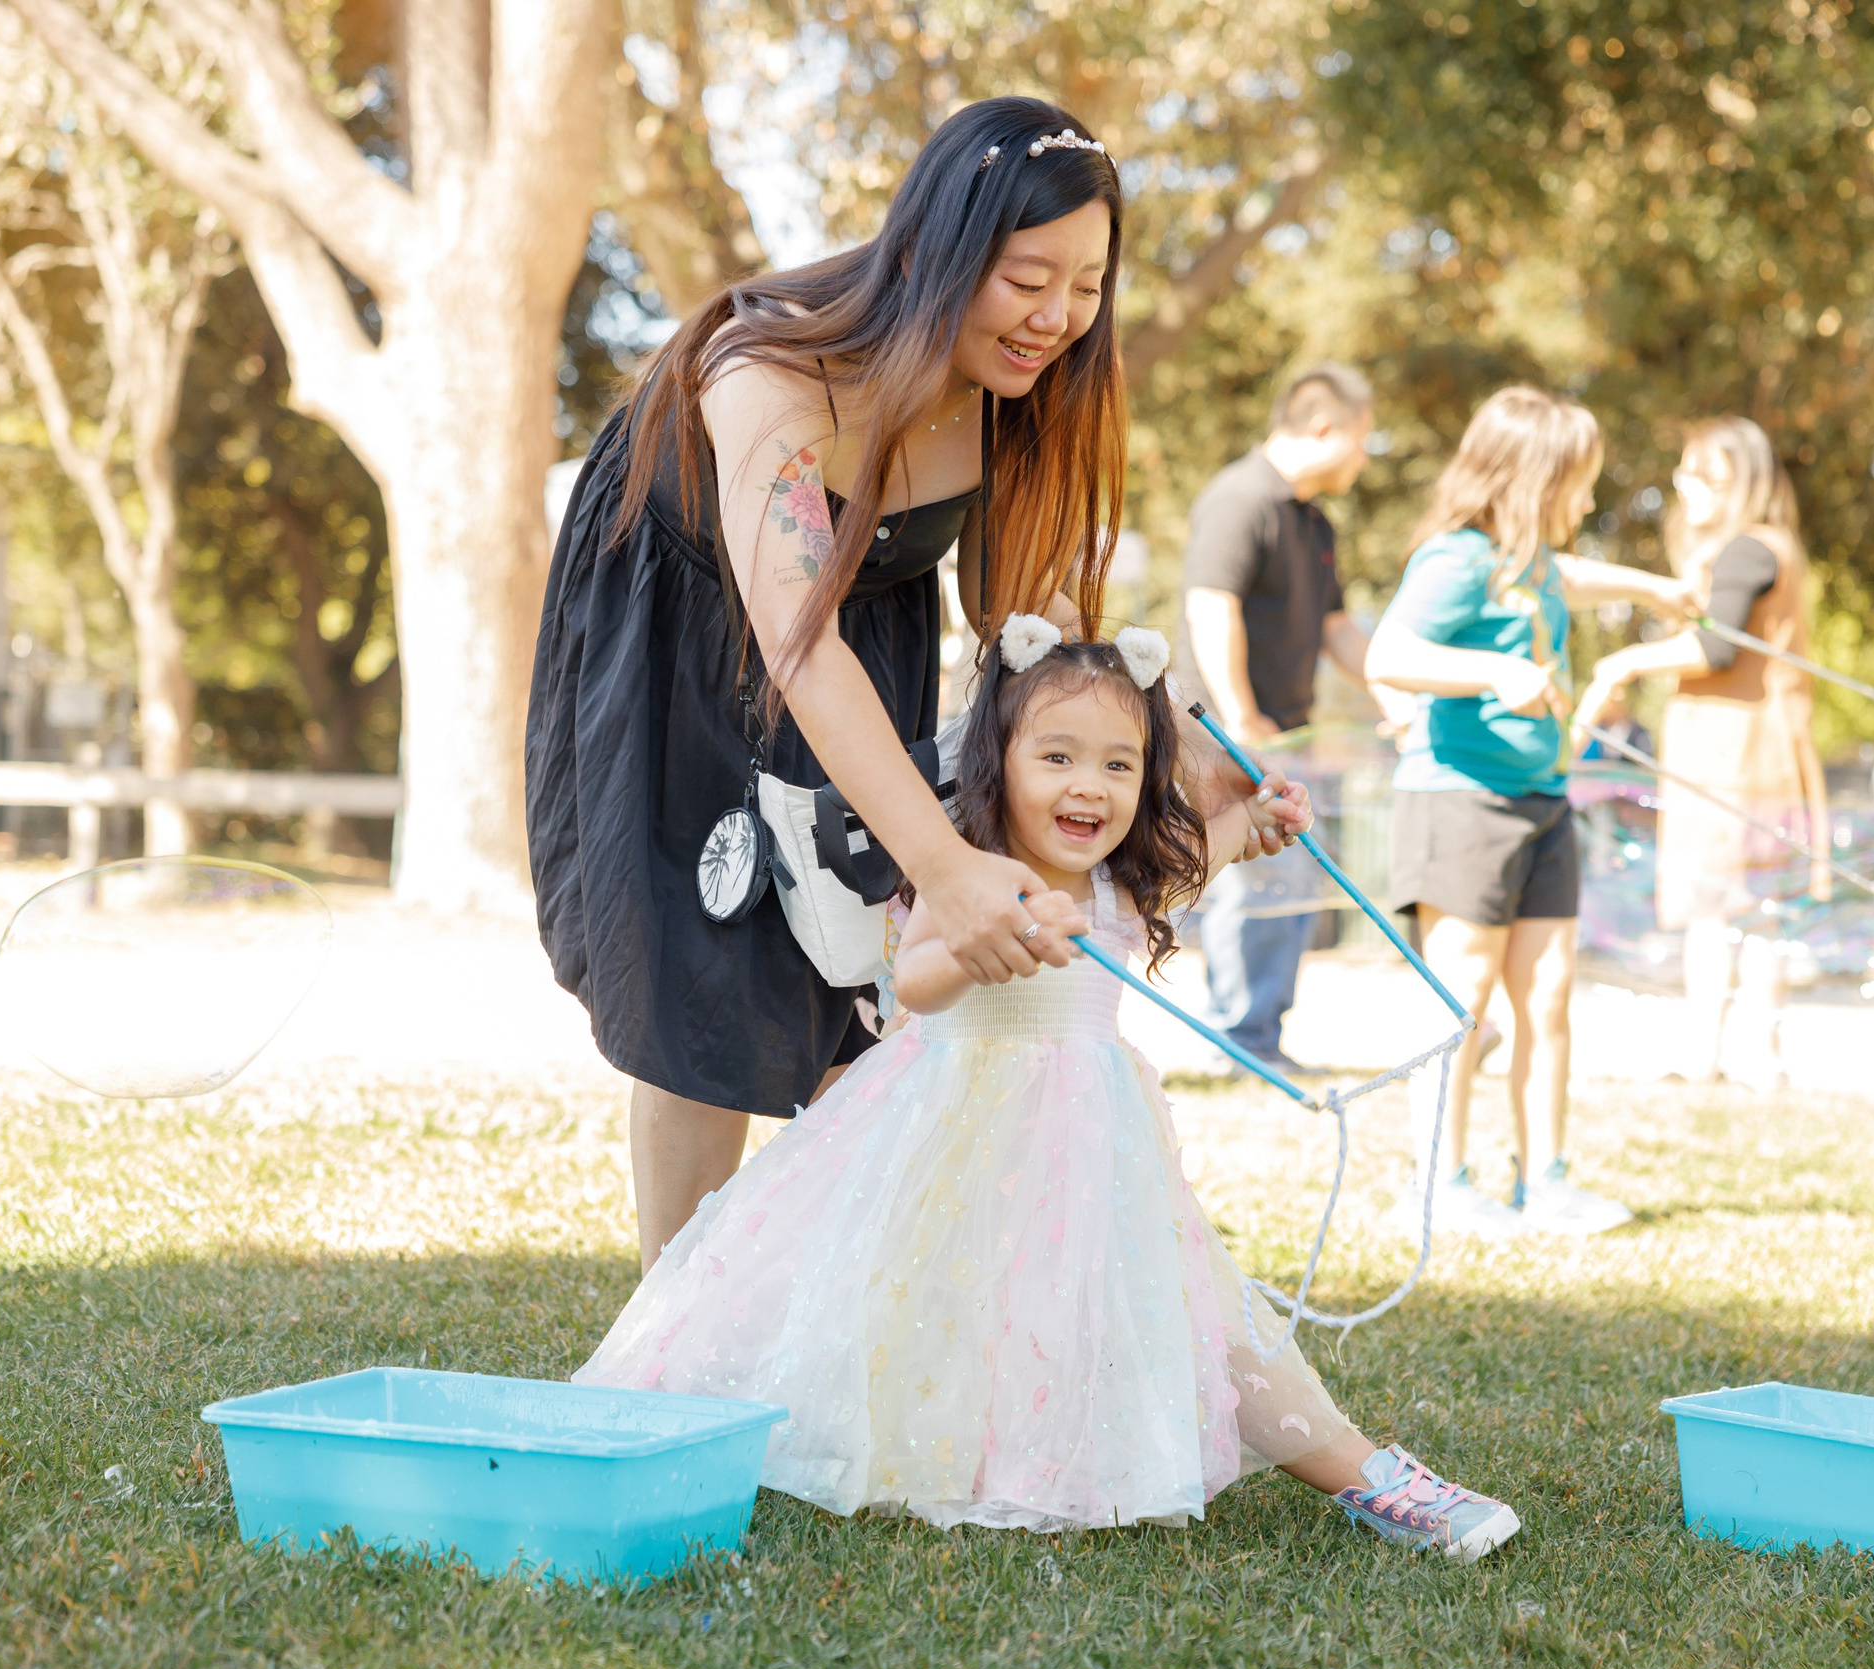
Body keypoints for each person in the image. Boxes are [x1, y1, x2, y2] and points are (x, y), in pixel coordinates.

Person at [528, 97, 1302, 1271]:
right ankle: (670, 1329)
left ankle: (832, 1313)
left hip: (861, 642)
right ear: (935, 253)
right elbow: (797, 644)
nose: (1056, 317)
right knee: (702, 976)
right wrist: (945, 867)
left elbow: (1034, 623)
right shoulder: (769, 367)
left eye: (1086, 285)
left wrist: (1192, 753)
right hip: (682, 642)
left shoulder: (1015, 397)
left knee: (854, 977)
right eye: (1025, 278)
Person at [576, 620, 1520, 1558]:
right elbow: (918, 981)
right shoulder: (971, 875)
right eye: (1058, 756)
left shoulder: (1124, 886)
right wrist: (989, 948)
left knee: (1156, 1304)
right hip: (951, 1131)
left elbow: (1217, 845)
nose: (1088, 785)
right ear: (1000, 759)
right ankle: (749, 1423)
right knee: (921, 1298)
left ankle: (1365, 1477)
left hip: (1088, 1148)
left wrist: (1261, 820)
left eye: (1118, 764)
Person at [1365, 386, 1696, 1237]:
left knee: (1548, 999)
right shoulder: (1456, 559)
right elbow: (1388, 653)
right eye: (1577, 484)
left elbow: (1574, 579)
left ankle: (1545, 1180)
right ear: (1532, 480)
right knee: (1462, 1000)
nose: (1585, 504)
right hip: (1462, 800)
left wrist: (1658, 590)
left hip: (1543, 800)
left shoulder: (1534, 563)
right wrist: (1496, 673)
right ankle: (1440, 1185)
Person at [1573, 418, 1828, 1089]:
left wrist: (1624, 663)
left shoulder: (1748, 550)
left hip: (1738, 754)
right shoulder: (1770, 547)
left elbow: (1718, 647)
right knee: (1745, 909)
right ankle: (1734, 1054)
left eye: (1704, 473)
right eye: (1684, 471)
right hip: (1749, 750)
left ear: (1741, 480)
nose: (1686, 486)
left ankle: (1728, 1053)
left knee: (1732, 908)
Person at [1180, 364, 1377, 1073]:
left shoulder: (1315, 522)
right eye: (1362, 439)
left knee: (1288, 883)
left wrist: (1400, 699)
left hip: (1290, 734)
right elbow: (1211, 606)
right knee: (1250, 882)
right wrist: (1241, 717)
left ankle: (1259, 1036)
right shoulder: (1240, 498)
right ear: (1323, 427)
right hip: (1229, 736)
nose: (1364, 457)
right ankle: (1238, 1042)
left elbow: (1338, 630)